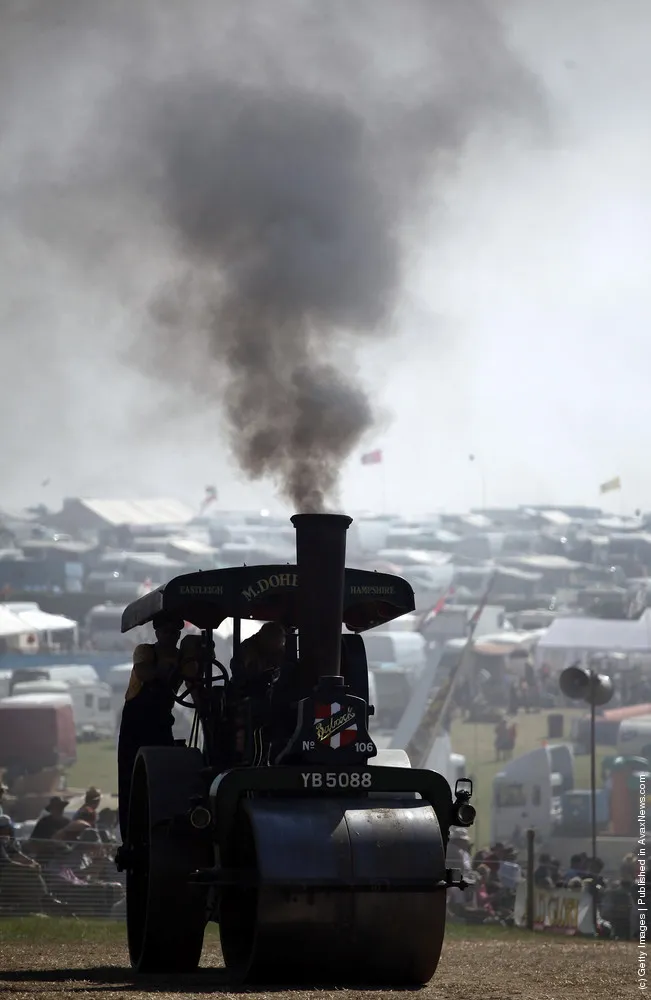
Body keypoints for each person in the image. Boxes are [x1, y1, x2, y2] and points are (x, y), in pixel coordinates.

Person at [117, 613, 199, 841]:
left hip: (161, 720)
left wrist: (203, 706)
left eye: (175, 633)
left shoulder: (182, 659)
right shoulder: (145, 652)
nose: (170, 636)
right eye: (166, 632)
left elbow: (194, 688)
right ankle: (133, 831)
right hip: (137, 723)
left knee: (163, 771)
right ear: (157, 633)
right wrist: (179, 664)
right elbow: (145, 673)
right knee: (130, 774)